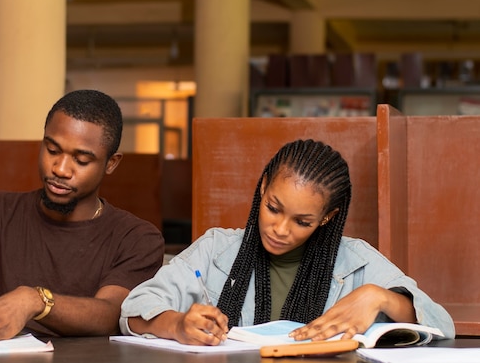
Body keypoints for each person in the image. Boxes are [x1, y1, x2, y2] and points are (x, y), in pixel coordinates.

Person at [120, 139, 455, 345]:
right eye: (273, 208)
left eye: (302, 222)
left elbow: (443, 325)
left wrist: (379, 297)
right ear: (263, 186)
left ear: (327, 217)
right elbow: (134, 310)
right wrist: (177, 325)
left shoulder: (357, 262)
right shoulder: (215, 250)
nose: (280, 229)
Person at [0, 89, 165, 342]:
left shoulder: (137, 238)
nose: (60, 169)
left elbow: (111, 314)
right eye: (52, 150)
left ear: (111, 163)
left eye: (81, 160)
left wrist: (35, 301)